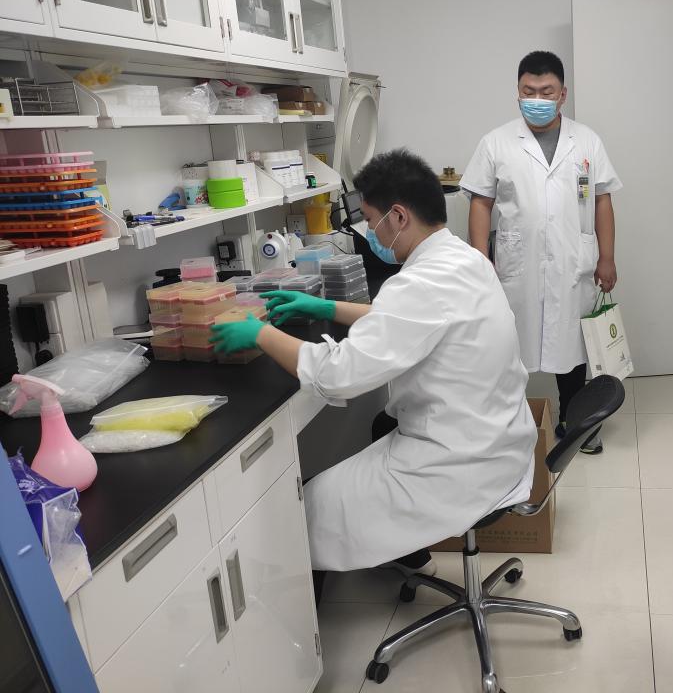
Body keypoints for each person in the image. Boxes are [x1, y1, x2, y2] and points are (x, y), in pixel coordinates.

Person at [210, 149, 537, 587]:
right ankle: (409, 554)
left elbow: (337, 375)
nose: (369, 231)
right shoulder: (464, 258)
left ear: (398, 216)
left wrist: (260, 335)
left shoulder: (419, 283)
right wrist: (327, 307)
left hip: (458, 464)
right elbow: (414, 322)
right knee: (382, 423)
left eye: (369, 219)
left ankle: (296, 619)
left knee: (302, 512)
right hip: (502, 439)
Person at [461, 51, 622, 455]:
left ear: (563, 94)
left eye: (546, 91)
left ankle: (575, 421)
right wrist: (479, 257)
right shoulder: (496, 142)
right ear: (517, 93)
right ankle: (510, 425)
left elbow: (602, 200)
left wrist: (606, 257)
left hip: (573, 262)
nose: (537, 98)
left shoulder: (587, 140)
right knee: (508, 346)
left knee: (573, 346)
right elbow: (480, 202)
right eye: (528, 91)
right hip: (518, 264)